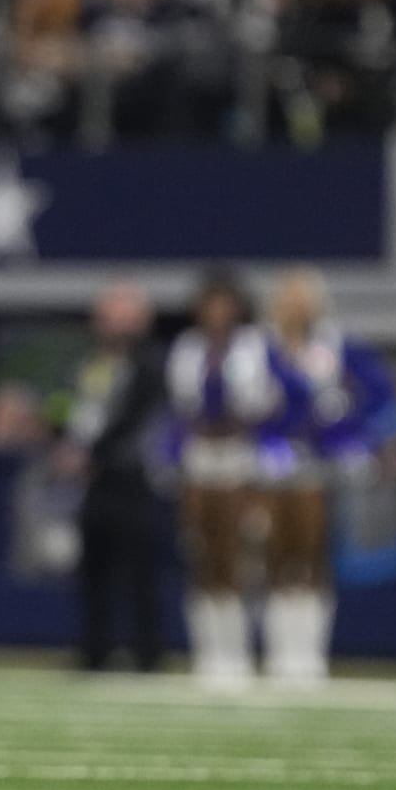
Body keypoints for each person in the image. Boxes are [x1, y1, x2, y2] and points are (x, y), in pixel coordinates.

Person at [165, 268, 306, 689]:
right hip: (201, 451)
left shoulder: (256, 345)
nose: (218, 312)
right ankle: (211, 651)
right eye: (211, 305)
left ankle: (243, 650)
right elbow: (181, 405)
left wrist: (269, 430)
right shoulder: (188, 347)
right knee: (201, 550)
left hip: (242, 449)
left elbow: (282, 395)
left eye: (225, 305)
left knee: (243, 550)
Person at [265, 267, 396, 684]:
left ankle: (308, 653)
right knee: (275, 556)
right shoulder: (261, 347)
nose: (296, 306)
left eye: (303, 298)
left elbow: (381, 397)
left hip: (323, 467)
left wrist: (359, 439)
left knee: (313, 556)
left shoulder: (337, 345)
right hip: (272, 464)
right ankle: (277, 650)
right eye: (289, 298)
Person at [60, 281, 166, 672]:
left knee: (139, 568)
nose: (114, 325)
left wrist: (92, 453)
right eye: (109, 316)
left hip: (133, 477)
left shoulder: (151, 364)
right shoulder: (89, 363)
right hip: (95, 480)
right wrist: (67, 444)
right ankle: (94, 648)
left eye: (123, 317)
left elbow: (136, 420)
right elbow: (73, 409)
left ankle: (146, 652)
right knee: (94, 565)